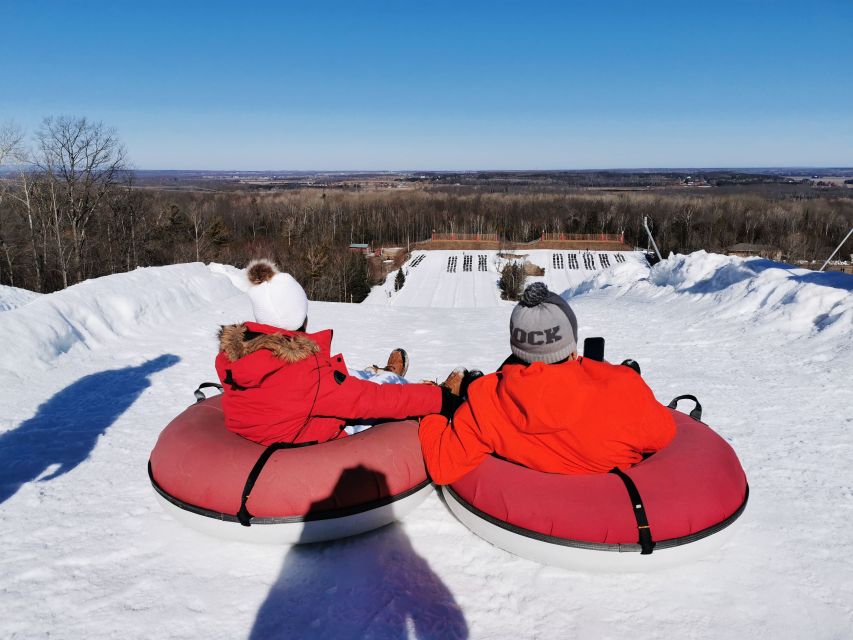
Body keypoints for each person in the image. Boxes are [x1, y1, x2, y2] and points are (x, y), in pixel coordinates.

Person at [418, 282, 676, 485]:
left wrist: (438, 412)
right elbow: (664, 435)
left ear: (516, 349)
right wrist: (604, 371)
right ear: (573, 349)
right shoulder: (624, 389)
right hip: (616, 503)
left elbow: (442, 467)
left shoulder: (486, 400)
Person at [216, 259, 455, 446]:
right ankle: (400, 379)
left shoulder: (235, 357)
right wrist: (440, 400)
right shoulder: (305, 373)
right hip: (307, 435)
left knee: (347, 375)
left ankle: (374, 373)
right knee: (381, 388)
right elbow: (371, 401)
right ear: (301, 318)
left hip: (276, 422)